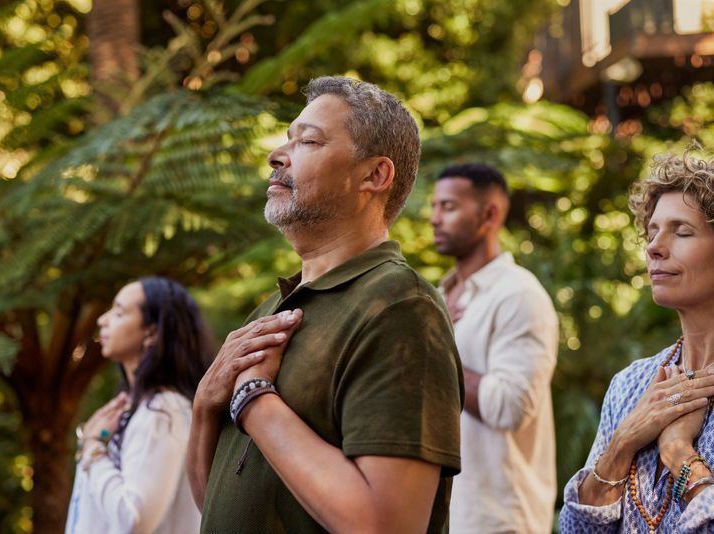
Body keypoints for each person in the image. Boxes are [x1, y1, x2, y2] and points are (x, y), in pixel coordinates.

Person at [186, 76, 464, 534]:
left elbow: (386, 525)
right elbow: (212, 502)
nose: (278, 155)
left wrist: (253, 399)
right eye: (286, 139)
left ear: (375, 175)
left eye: (308, 140)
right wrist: (205, 404)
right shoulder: (268, 311)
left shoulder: (399, 307)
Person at [559, 148, 714, 533]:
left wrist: (678, 452)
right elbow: (577, 529)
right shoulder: (631, 385)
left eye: (682, 231)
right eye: (652, 231)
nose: (654, 247)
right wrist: (623, 443)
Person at [429, 163, 559, 533]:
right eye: (435, 206)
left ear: (490, 214)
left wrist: (435, 351)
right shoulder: (439, 297)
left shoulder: (518, 295)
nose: (435, 218)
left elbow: (509, 406)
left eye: (449, 207)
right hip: (442, 516)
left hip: (498, 520)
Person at [65, 276, 212, 534]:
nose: (102, 320)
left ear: (152, 332)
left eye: (119, 312)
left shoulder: (163, 411)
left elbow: (133, 520)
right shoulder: (134, 407)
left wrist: (93, 449)